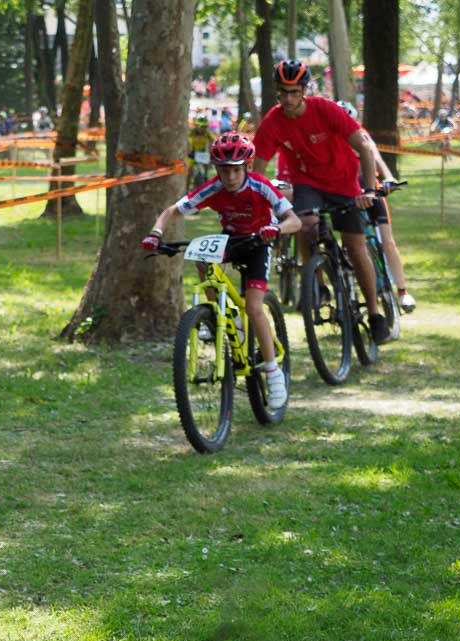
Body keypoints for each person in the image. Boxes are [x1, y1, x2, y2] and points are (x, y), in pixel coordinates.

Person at [142, 132, 301, 410]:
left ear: (247, 167)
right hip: (231, 239)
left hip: (259, 242)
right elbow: (171, 211)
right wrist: (155, 233)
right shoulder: (213, 187)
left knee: (254, 307)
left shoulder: (261, 186)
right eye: (224, 170)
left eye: (236, 170)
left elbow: (294, 221)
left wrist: (276, 229)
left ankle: (273, 371)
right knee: (201, 257)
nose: (230, 177)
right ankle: (219, 316)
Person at [251, 59, 392, 344]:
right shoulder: (273, 122)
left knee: (355, 247)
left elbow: (364, 147)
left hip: (345, 183)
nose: (288, 99)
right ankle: (317, 284)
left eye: (294, 92)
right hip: (308, 184)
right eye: (283, 92)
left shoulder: (325, 109)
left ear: (304, 90)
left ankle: (375, 313)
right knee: (305, 224)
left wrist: (368, 190)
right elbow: (258, 172)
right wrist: (257, 204)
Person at [336, 100, 416, 313]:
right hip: (347, 195)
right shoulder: (330, 142)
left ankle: (402, 291)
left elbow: (376, 157)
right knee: (349, 246)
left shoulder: (361, 136)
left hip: (370, 191)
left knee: (387, 241)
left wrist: (388, 178)